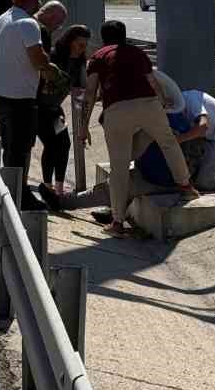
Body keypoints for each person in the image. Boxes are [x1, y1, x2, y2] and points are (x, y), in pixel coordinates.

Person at [82, 20, 198, 235]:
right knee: (168, 143)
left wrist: (83, 126)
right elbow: (152, 81)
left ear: (103, 38)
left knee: (119, 166)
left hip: (117, 110)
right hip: (149, 104)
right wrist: (161, 103)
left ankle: (117, 223)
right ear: (124, 36)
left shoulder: (98, 57)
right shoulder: (137, 52)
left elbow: (90, 93)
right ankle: (186, 186)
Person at [0, 0, 53, 210]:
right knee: (21, 149)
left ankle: (11, 191)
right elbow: (38, 59)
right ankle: (20, 197)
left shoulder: (2, 19)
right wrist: (51, 70)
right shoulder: (28, 23)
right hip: (18, 97)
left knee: (11, 147)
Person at [139, 88, 215, 190]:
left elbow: (203, 127)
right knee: (193, 170)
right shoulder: (174, 107)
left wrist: (176, 141)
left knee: (204, 183)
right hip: (210, 139)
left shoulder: (191, 99)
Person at [38, 23, 90, 202]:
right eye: (79, 44)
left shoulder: (79, 61)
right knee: (52, 145)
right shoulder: (54, 57)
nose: (82, 49)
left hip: (54, 109)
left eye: (85, 45)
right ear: (69, 42)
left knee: (64, 144)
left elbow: (81, 87)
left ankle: (58, 188)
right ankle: (48, 186)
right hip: (39, 108)